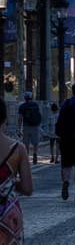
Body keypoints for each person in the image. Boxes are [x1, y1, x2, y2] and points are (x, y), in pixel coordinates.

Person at [0, 101, 33, 244]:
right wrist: (9, 182)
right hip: (9, 214)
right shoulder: (19, 149)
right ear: (5, 118)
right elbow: (27, 189)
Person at [17, 91, 42, 165]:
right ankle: (35, 154)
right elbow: (40, 115)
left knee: (26, 143)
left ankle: (27, 157)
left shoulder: (22, 106)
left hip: (26, 126)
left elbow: (20, 118)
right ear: (31, 97)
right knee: (35, 142)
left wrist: (19, 129)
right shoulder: (36, 105)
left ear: (25, 98)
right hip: (35, 126)